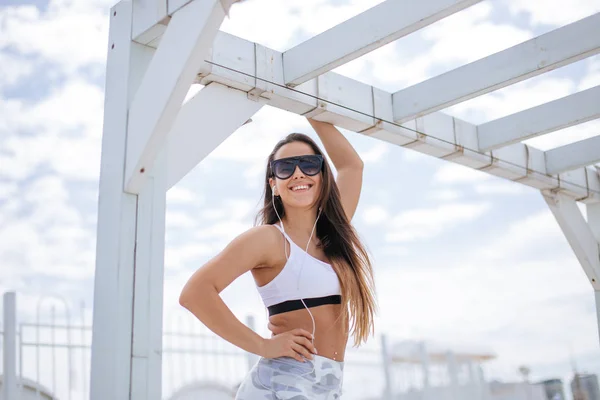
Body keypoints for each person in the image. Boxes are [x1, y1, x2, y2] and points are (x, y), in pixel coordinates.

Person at [179, 118, 377, 399]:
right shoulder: (268, 239)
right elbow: (194, 293)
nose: (298, 173)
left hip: (327, 384)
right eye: (285, 168)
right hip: (283, 383)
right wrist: (263, 346)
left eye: (309, 164)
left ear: (323, 176)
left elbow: (352, 166)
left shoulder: (334, 233)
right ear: (273, 183)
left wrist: (309, 105)